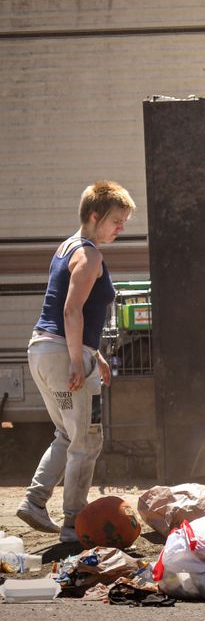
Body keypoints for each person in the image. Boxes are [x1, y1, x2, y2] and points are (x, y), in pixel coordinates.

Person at [18, 181, 135, 543]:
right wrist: (75, 359)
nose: (121, 228)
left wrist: (93, 353)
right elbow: (70, 310)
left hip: (42, 351)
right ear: (95, 216)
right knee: (87, 437)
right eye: (117, 221)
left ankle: (35, 501)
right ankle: (74, 524)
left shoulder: (66, 247)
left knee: (68, 434)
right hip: (62, 355)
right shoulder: (89, 255)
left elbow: (67, 310)